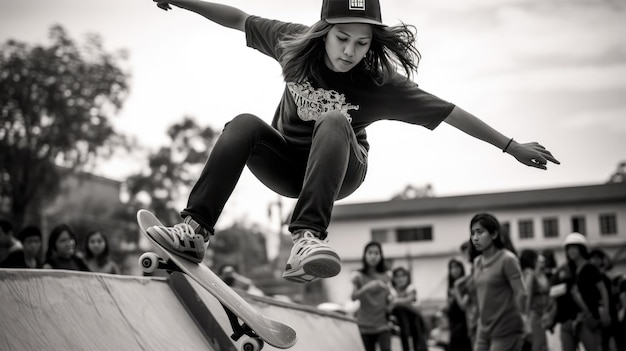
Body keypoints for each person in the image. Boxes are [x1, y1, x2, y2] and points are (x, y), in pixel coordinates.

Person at [144, 0, 560, 284]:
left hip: (342, 168)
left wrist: (511, 146)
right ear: (324, 31)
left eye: (362, 43)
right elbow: (239, 19)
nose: (350, 52)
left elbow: (450, 113)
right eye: (342, 38)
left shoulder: (380, 82)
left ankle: (307, 239)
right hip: (286, 165)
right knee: (243, 123)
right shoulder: (292, 42)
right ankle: (195, 229)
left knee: (333, 118)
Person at [469, 213, 527, 351]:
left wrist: (525, 321)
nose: (475, 238)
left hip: (506, 328)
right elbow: (480, 295)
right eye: (472, 233)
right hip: (483, 329)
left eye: (480, 232)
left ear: (494, 234)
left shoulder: (507, 260)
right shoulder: (477, 262)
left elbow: (521, 293)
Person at [560, 233, 610, 351]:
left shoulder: (589, 268)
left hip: (590, 318)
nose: (571, 251)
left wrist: (606, 312)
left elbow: (603, 289)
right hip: (574, 318)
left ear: (581, 249)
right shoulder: (572, 270)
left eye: (574, 248)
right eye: (569, 248)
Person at [351, 241, 393, 351]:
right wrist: (369, 286)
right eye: (370, 253)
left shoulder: (387, 275)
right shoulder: (358, 276)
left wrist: (391, 297)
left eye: (376, 253)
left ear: (381, 255)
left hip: (383, 324)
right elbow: (353, 297)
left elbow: (390, 299)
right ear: (364, 255)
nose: (373, 256)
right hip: (364, 325)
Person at [390, 266, 428, 351]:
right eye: (397, 276)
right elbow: (390, 307)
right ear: (393, 279)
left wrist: (397, 301)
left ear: (407, 277)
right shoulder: (392, 291)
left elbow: (413, 304)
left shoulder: (411, 288)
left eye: (403, 276)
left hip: (414, 326)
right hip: (399, 327)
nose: (400, 279)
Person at [519, 249, 550, 351]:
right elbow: (527, 296)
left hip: (539, 314)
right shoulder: (529, 274)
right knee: (538, 345)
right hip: (534, 314)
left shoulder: (530, 273)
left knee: (541, 344)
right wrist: (526, 318)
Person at [588, 248, 617, 351]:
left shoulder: (605, 275)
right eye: (593, 258)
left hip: (610, 311)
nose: (595, 261)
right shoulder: (589, 277)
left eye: (598, 258)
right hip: (599, 313)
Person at [447, 258, 473, 351]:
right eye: (452, 268)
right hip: (453, 325)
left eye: (457, 267)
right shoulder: (450, 287)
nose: (454, 270)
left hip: (464, 325)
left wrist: (456, 290)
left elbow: (463, 305)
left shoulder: (466, 284)